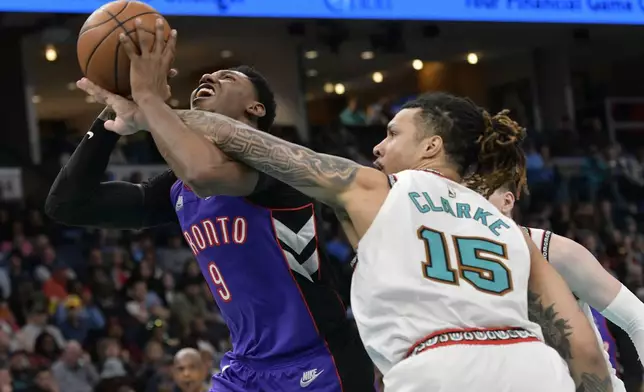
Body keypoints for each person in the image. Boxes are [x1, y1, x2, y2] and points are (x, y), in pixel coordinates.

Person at [78, 20, 612, 391]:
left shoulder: (372, 189)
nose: (377, 147)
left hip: (431, 371)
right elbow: (586, 353)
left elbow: (242, 144)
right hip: (532, 370)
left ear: (430, 146)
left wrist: (149, 102)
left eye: (390, 132)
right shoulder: (508, 229)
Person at [46, 21, 373, 392]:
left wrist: (151, 102)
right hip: (245, 368)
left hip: (320, 360)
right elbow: (68, 205)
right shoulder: (175, 187)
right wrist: (111, 116)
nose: (208, 74)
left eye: (228, 76)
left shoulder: (279, 164)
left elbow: (205, 172)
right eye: (210, 73)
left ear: (255, 107)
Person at [489, 182, 644, 392]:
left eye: (479, 196)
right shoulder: (454, 261)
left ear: (507, 202)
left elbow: (636, 317)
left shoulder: (555, 252)